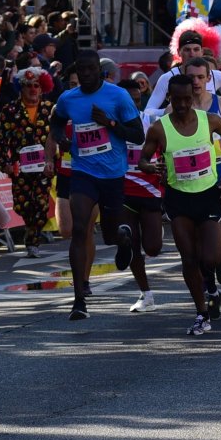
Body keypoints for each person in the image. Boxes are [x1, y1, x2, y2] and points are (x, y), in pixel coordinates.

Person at [138, 71, 221, 336]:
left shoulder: (209, 120)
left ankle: (213, 285)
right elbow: (143, 159)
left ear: (193, 97)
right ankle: (201, 313)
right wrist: (151, 167)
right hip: (178, 198)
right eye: (177, 100)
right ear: (170, 99)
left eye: (187, 99)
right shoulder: (159, 127)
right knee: (189, 259)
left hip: (208, 194)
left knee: (210, 257)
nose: (183, 104)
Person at [47, 50, 145, 320]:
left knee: (110, 235)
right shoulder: (69, 98)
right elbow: (55, 121)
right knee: (79, 228)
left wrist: (110, 123)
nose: (86, 74)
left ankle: (123, 240)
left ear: (100, 72)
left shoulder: (118, 96)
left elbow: (138, 134)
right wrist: (60, 138)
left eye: (91, 69)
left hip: (112, 174)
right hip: (83, 171)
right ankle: (79, 299)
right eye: (82, 70)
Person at [0, 68, 57, 257]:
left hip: (44, 167)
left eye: (36, 85)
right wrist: (4, 162)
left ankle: (32, 241)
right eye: (28, 86)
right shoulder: (10, 110)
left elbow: (59, 136)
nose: (32, 89)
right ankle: (31, 230)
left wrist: (54, 161)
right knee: (22, 206)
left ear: (42, 88)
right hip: (20, 168)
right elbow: (0, 140)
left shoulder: (50, 109)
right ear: (20, 88)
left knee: (41, 205)